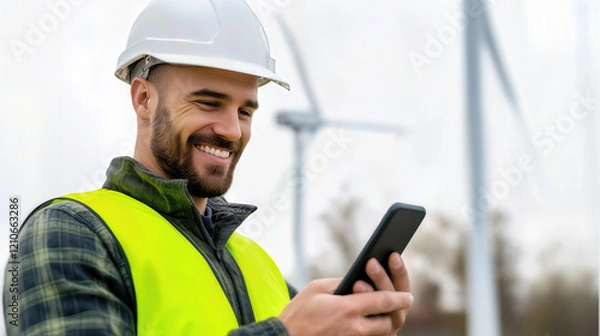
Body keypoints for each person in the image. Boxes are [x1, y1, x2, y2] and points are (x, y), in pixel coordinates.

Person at [3, 0, 414, 335]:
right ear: (144, 99)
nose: (232, 130)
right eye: (208, 103)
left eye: (246, 110)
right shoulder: (69, 233)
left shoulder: (261, 267)